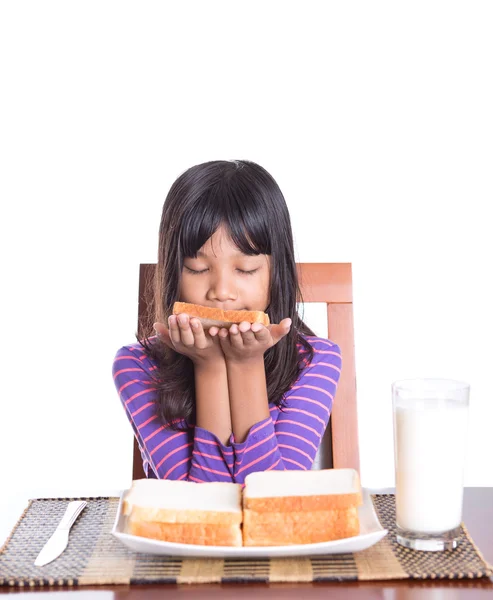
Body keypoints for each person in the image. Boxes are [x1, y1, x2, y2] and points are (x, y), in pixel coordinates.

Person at [112, 160, 342, 484]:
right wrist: (210, 366)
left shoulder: (316, 360)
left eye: (245, 269)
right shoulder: (136, 365)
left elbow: (271, 500)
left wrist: (246, 365)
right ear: (172, 274)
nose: (221, 292)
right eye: (197, 268)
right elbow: (200, 509)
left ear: (277, 273)